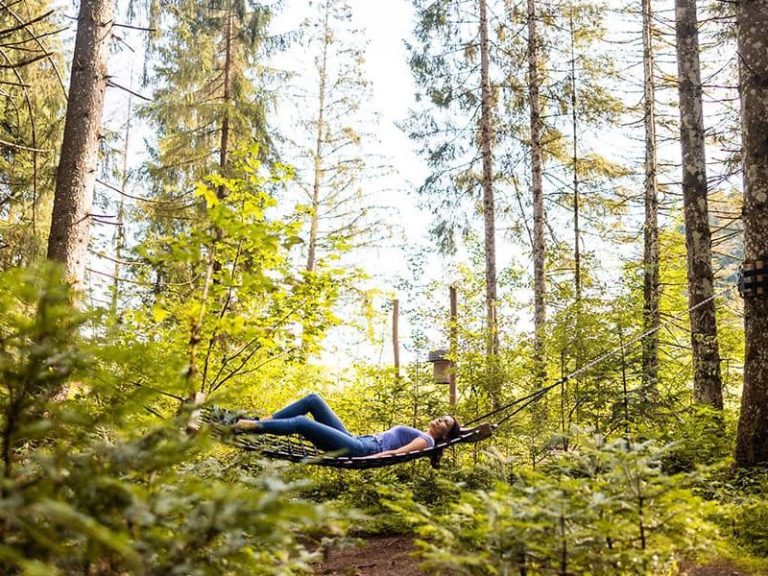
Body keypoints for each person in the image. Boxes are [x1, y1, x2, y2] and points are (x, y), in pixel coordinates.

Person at [229, 393, 462, 458]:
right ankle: (263, 421)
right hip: (358, 440)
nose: (440, 420)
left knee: (301, 423)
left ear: (445, 434)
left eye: (445, 422)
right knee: (313, 400)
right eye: (442, 417)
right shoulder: (425, 434)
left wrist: (372, 459)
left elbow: (398, 454)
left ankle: (249, 426)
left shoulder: (428, 440)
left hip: (361, 449)